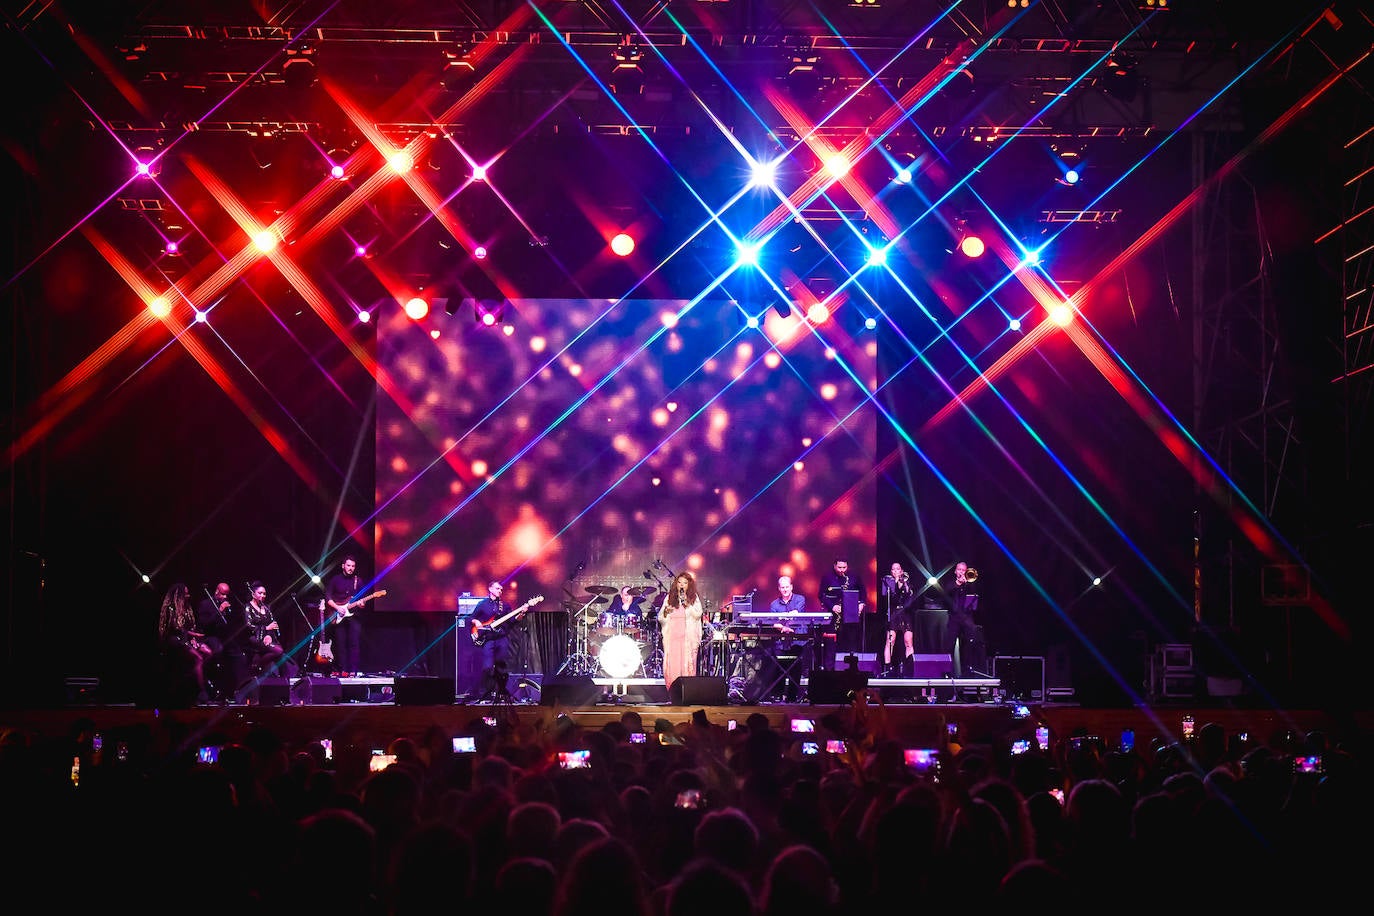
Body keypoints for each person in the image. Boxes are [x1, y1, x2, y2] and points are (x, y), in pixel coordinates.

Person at [470, 580, 528, 700]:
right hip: (488, 639)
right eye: (497, 589)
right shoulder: (482, 604)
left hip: (502, 638)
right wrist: (476, 622)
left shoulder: (505, 606)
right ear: (490, 589)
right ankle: (485, 693)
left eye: (501, 590)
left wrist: (521, 613)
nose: (500, 591)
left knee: (502, 667)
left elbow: (512, 621)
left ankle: (501, 693)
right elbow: (472, 618)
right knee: (487, 667)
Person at [157, 582, 211, 704]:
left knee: (208, 652)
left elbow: (190, 627)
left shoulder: (187, 607)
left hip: (186, 638)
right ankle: (201, 691)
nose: (188, 595)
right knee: (198, 658)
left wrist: (194, 638)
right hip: (174, 639)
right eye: (185, 593)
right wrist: (192, 636)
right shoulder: (171, 607)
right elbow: (175, 629)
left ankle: (196, 678)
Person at [660, 571, 704, 692]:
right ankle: (673, 692)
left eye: (684, 583)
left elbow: (698, 614)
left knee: (687, 664)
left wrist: (687, 604)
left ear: (689, 584)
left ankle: (687, 692)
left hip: (687, 637)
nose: (682, 585)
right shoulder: (669, 597)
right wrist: (665, 612)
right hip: (673, 636)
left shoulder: (693, 597)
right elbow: (661, 617)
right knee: (673, 665)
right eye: (679, 582)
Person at [242, 581, 291, 683]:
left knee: (281, 657)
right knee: (279, 651)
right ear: (253, 594)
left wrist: (268, 634)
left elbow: (272, 623)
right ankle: (257, 665)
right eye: (260, 593)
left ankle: (283, 684)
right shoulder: (248, 607)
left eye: (264, 593)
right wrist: (265, 629)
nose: (262, 595)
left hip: (267, 636)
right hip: (254, 637)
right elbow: (249, 625)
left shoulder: (267, 608)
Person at [195, 582, 236, 700]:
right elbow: (204, 624)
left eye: (227, 595)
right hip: (210, 636)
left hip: (224, 637)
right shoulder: (206, 604)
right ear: (217, 592)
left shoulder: (226, 604)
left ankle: (233, 690)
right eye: (223, 594)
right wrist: (219, 611)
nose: (225, 597)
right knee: (219, 650)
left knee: (236, 654)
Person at [943, 561, 985, 677]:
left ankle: (967, 671)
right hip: (954, 618)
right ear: (955, 571)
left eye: (963, 570)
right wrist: (958, 584)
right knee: (949, 645)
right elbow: (946, 593)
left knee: (968, 644)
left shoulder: (970, 584)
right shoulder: (951, 583)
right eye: (959, 570)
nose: (961, 572)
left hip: (967, 618)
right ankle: (948, 672)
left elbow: (976, 594)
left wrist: (967, 584)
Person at [325, 555, 365, 677]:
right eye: (348, 565)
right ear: (343, 566)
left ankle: (354, 670)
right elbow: (328, 598)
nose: (351, 568)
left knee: (354, 642)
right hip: (338, 615)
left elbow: (362, 600)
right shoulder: (335, 580)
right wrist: (338, 608)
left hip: (354, 615)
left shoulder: (358, 581)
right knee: (340, 643)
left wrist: (362, 604)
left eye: (353, 566)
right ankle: (342, 670)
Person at [818, 557, 866, 654]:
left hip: (850, 615)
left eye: (844, 567)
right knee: (831, 644)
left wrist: (861, 604)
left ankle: (852, 666)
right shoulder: (827, 577)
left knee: (851, 641)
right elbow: (821, 595)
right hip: (834, 614)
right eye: (839, 567)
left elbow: (863, 592)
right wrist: (832, 606)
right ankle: (830, 667)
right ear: (834, 566)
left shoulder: (854, 576)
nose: (842, 570)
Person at [881, 561, 917, 675]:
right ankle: (887, 667)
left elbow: (909, 595)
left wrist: (904, 583)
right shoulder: (887, 582)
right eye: (894, 569)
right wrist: (895, 583)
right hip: (893, 612)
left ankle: (910, 666)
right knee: (890, 641)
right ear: (891, 572)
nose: (896, 571)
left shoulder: (907, 582)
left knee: (908, 641)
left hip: (905, 613)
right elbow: (886, 596)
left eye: (898, 569)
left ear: (901, 571)